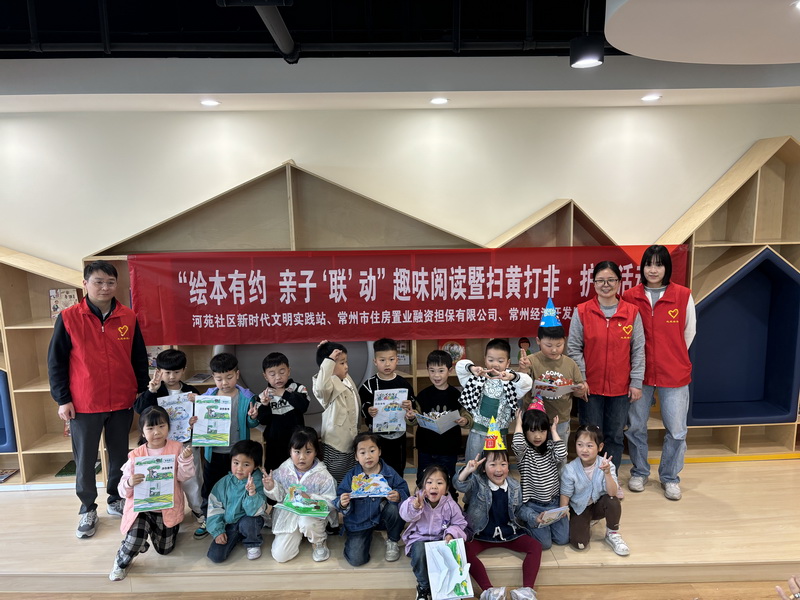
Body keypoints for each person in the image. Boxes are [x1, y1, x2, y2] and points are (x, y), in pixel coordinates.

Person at [47, 260, 149, 539]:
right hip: (84, 402)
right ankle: (87, 508)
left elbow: (138, 356)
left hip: (121, 401)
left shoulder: (128, 316)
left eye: (110, 282)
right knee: (85, 459)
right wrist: (62, 399)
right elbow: (56, 362)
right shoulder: (69, 317)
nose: (105, 287)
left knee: (119, 455)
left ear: (117, 285)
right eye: (98, 282)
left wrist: (140, 389)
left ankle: (116, 498)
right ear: (85, 284)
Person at [623, 245, 696, 501]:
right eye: (648, 264)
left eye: (659, 264)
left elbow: (689, 332)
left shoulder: (683, 295)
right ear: (642, 268)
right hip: (640, 374)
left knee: (676, 430)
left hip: (674, 373)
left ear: (667, 267)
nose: (653, 270)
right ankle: (640, 471)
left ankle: (670, 477)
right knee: (635, 427)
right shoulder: (630, 296)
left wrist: (672, 355)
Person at [566, 261, 645, 483]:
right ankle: (588, 481)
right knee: (589, 436)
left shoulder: (632, 312)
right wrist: (581, 380)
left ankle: (610, 479)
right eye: (600, 280)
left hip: (620, 388)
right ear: (593, 283)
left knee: (615, 436)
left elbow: (638, 350)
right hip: (589, 388)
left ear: (619, 282)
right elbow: (574, 347)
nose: (606, 284)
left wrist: (636, 382)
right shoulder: (582, 311)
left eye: (611, 280)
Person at [109, 406, 195, 581]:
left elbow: (183, 477)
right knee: (135, 538)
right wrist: (129, 483)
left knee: (165, 549)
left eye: (161, 426)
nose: (157, 432)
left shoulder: (177, 448)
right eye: (150, 428)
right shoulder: (136, 455)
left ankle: (145, 538)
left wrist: (185, 460)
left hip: (166, 509)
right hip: (142, 510)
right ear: (142, 432)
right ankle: (121, 561)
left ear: (168, 427)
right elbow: (122, 491)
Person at [453, 436, 542, 600]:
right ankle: (489, 591)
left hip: (510, 533)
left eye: (503, 464)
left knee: (536, 546)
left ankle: (527, 590)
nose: (498, 469)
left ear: (508, 466)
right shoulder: (478, 482)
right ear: (484, 468)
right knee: (462, 550)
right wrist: (467, 470)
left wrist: (535, 517)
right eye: (492, 464)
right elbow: (459, 485)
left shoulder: (514, 485)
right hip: (481, 534)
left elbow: (520, 509)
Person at [133, 349, 205, 531]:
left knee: (192, 479)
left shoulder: (190, 391)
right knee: (164, 479)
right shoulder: (155, 390)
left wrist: (198, 404)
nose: (172, 377)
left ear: (184, 370)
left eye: (176, 372)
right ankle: (165, 512)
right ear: (159, 372)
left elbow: (202, 417)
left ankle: (198, 509)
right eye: (167, 372)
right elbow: (139, 409)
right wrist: (151, 390)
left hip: (186, 443)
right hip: (160, 446)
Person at [197, 352, 259, 538]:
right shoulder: (208, 397)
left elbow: (251, 424)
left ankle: (235, 515)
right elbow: (200, 422)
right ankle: (208, 517)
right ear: (213, 378)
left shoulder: (246, 397)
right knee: (211, 486)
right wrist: (195, 421)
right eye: (219, 379)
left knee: (236, 485)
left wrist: (253, 418)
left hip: (237, 453)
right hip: (214, 452)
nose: (224, 383)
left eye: (229, 377)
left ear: (237, 374)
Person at [334, 432, 410, 566]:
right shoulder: (352, 476)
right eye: (362, 452)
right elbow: (339, 497)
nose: (368, 456)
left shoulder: (389, 472)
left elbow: (404, 490)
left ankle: (393, 540)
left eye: (372, 451)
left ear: (379, 451)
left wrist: (399, 495)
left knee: (395, 508)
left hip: (382, 517)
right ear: (356, 456)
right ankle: (360, 537)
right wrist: (343, 503)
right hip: (359, 521)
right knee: (356, 560)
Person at [263, 427, 336, 563]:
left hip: (312, 516)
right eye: (297, 452)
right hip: (289, 515)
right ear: (290, 451)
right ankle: (300, 533)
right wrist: (271, 487)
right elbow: (279, 496)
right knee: (280, 556)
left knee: (306, 522)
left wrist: (311, 499)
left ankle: (318, 541)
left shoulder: (323, 475)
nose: (302, 457)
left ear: (316, 452)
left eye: (308, 452)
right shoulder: (284, 469)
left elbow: (332, 502)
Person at [518, 298, 586, 444]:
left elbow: (578, 392)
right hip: (535, 419)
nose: (554, 350)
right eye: (548, 345)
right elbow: (521, 387)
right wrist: (523, 369)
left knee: (559, 451)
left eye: (559, 345)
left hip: (560, 419)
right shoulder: (531, 360)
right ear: (538, 341)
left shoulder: (570, 364)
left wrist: (581, 389)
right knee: (534, 452)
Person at [406, 350, 471, 499]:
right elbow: (415, 416)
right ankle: (423, 505)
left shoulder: (457, 395)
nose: (436, 375)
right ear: (427, 370)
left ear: (450, 370)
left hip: (448, 449)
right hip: (426, 448)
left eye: (441, 371)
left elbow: (467, 416)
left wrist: (465, 420)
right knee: (424, 479)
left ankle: (450, 505)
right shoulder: (423, 394)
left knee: (448, 479)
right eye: (432, 371)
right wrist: (411, 416)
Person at [456, 338, 533, 463]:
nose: (495, 364)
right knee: (474, 464)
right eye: (491, 360)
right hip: (478, 431)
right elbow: (460, 366)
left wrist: (512, 376)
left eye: (500, 361)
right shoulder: (477, 377)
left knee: (497, 465)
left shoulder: (510, 381)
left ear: (508, 363)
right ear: (485, 359)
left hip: (499, 433)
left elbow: (527, 383)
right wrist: (472, 368)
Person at [400, 464, 468, 600]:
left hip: (440, 539)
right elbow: (405, 515)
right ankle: (424, 587)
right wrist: (414, 507)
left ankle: (446, 588)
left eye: (439, 483)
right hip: (419, 539)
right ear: (423, 486)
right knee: (419, 552)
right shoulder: (415, 501)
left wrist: (450, 533)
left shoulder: (451, 505)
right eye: (429, 482)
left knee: (448, 556)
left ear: (447, 488)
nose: (434, 486)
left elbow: (460, 524)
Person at [560, 424, 629, 556]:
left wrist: (607, 473)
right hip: (580, 508)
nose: (584, 450)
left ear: (600, 447)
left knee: (612, 500)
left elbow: (613, 493)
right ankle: (586, 521)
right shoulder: (570, 469)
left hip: (599, 505)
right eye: (580, 445)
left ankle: (612, 533)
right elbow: (565, 494)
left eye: (589, 446)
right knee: (579, 544)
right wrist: (562, 511)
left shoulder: (607, 464)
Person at [512, 401, 568, 550]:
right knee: (545, 544)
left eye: (542, 431)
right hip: (533, 505)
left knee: (563, 539)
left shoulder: (550, 447)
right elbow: (517, 443)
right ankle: (525, 519)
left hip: (553, 503)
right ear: (525, 431)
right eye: (532, 431)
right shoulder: (524, 452)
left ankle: (544, 526)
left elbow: (562, 454)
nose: (538, 436)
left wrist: (554, 430)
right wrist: (518, 423)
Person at [359, 338, 416, 477]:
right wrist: (368, 410)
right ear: (375, 361)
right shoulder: (369, 385)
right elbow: (361, 407)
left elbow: (413, 408)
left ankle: (397, 490)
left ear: (397, 360)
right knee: (377, 469)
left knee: (398, 469)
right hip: (376, 437)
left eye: (391, 359)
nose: (387, 364)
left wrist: (410, 407)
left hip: (398, 435)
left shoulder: (403, 384)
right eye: (382, 360)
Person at [206, 439, 268, 563]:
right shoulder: (223, 483)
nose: (239, 468)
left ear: (255, 465)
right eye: (236, 463)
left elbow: (255, 512)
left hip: (249, 520)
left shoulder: (259, 482)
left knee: (249, 522)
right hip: (229, 525)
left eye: (246, 464)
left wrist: (252, 493)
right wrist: (218, 531)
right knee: (216, 556)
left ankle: (252, 542)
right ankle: (238, 536)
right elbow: (214, 508)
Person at [312, 340, 360, 485]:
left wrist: (325, 349)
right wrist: (328, 361)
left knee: (351, 481)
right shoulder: (327, 386)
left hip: (352, 442)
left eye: (346, 362)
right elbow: (321, 387)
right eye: (342, 363)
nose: (346, 366)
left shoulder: (345, 378)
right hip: (336, 446)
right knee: (335, 481)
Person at [254, 352, 310, 473]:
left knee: (297, 470)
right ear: (265, 376)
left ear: (289, 371)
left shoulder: (298, 388)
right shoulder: (263, 396)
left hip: (296, 442)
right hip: (275, 443)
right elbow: (263, 420)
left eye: (282, 372)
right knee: (274, 471)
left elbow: (303, 406)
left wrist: (284, 393)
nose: (278, 377)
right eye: (272, 374)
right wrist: (265, 405)